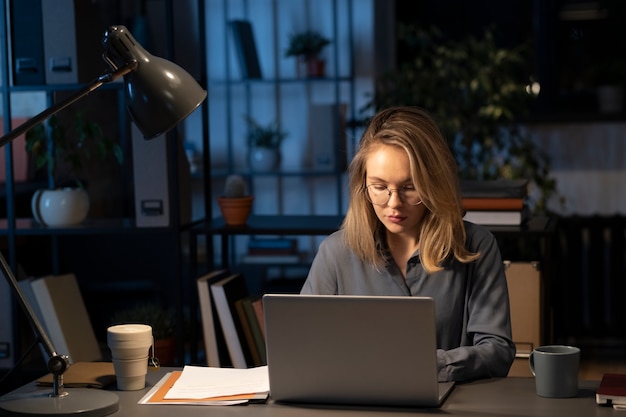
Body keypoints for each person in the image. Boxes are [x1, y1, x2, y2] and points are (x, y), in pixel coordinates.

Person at [300, 106, 515, 382]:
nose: (394, 204)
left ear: (433, 184)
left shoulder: (476, 245)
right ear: (362, 186)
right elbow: (305, 348)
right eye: (379, 187)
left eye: (409, 187)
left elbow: (497, 351)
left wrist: (426, 365)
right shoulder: (335, 253)